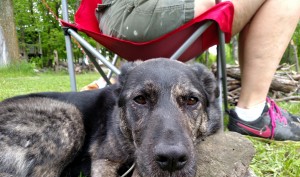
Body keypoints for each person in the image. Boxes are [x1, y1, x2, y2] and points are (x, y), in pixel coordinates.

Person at [95, 0, 300, 141]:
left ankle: (255, 108)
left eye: (191, 101)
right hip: (131, 12)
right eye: (140, 99)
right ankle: (252, 110)